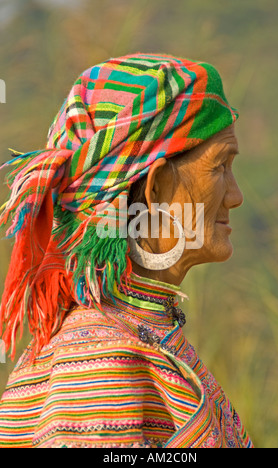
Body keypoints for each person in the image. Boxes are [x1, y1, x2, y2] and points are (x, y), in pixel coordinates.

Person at [0, 53, 253, 448]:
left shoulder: (144, 333)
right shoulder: (103, 360)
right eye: (220, 167)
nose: (235, 196)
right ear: (155, 190)